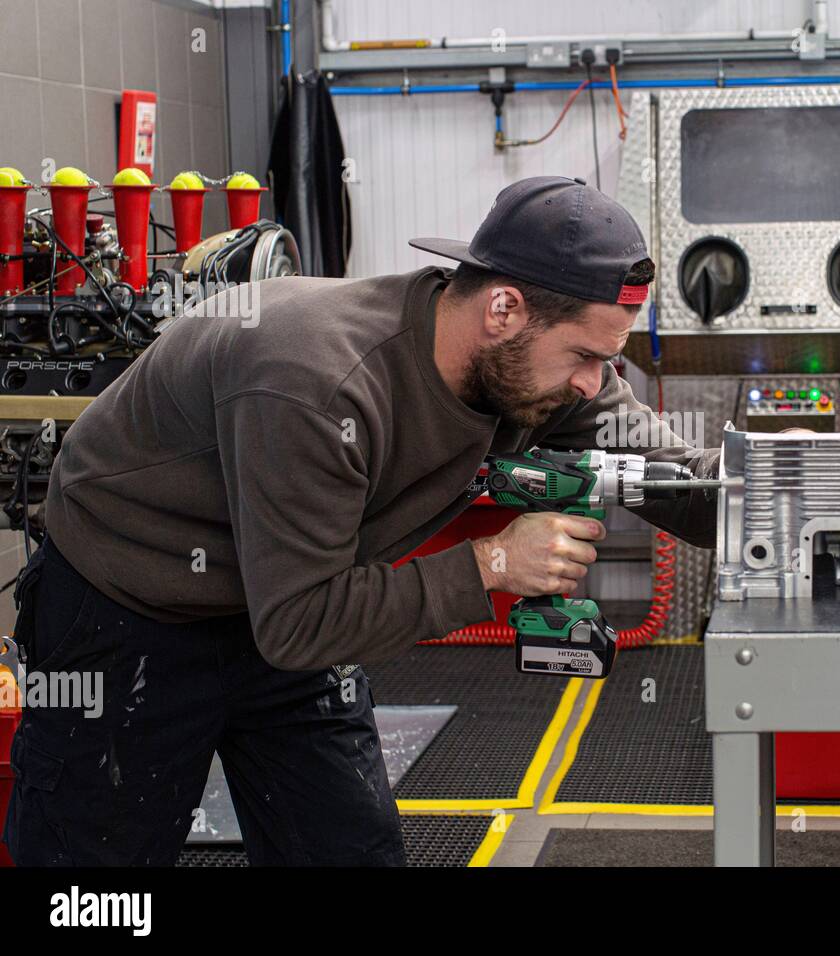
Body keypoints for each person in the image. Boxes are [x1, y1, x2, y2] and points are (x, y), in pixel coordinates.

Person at [5, 176, 719, 865]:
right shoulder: (318, 383)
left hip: (293, 597)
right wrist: (492, 564)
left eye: (608, 360)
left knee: (346, 851)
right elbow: (300, 621)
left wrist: (789, 488)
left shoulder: (540, 370)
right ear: (503, 310)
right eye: (586, 357)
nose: (595, 384)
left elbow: (676, 474)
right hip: (131, 603)